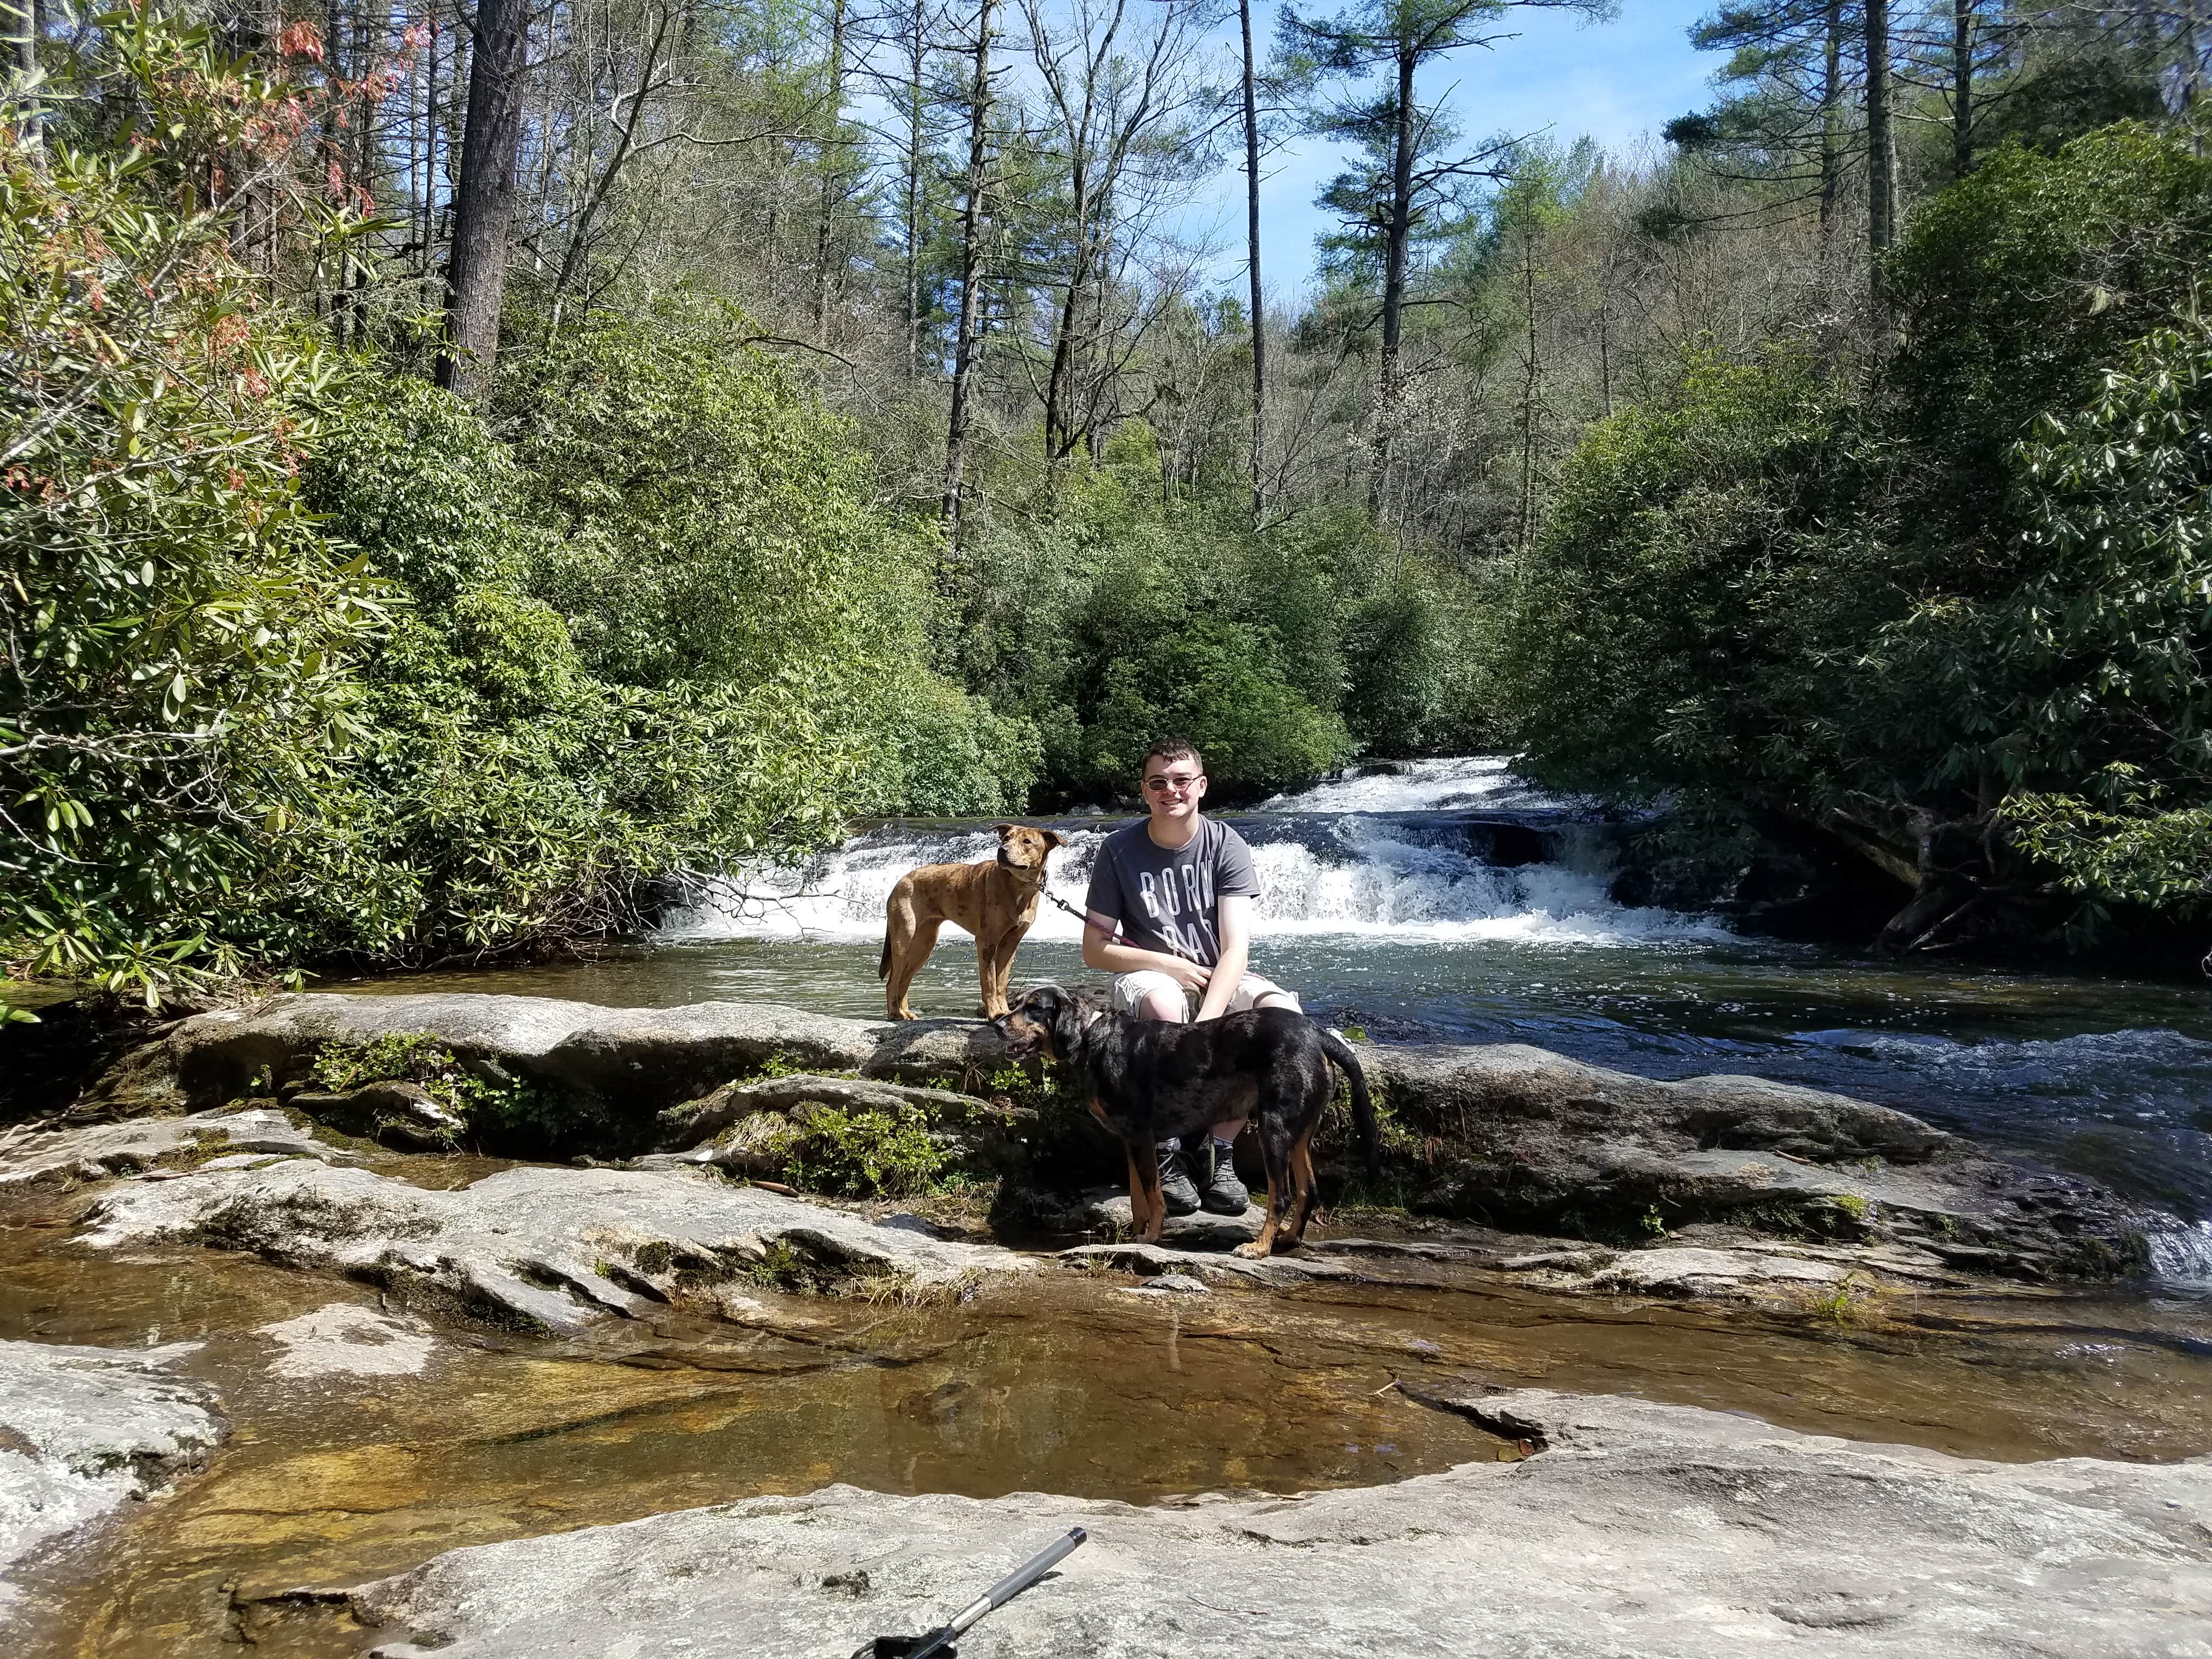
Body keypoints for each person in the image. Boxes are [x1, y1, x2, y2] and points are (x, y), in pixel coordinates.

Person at [1080, 737, 1302, 1216]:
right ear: (1145, 791)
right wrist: (1168, 964)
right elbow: (1095, 951)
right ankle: (1168, 1153)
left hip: (1218, 970)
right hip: (1148, 973)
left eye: (1181, 780)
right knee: (1163, 1005)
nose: (1170, 790)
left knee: (1281, 1016)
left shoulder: (1226, 844)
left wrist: (1211, 1024)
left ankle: (1220, 1154)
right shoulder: (1117, 851)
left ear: (1200, 786)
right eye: (1159, 782)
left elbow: (1236, 949)